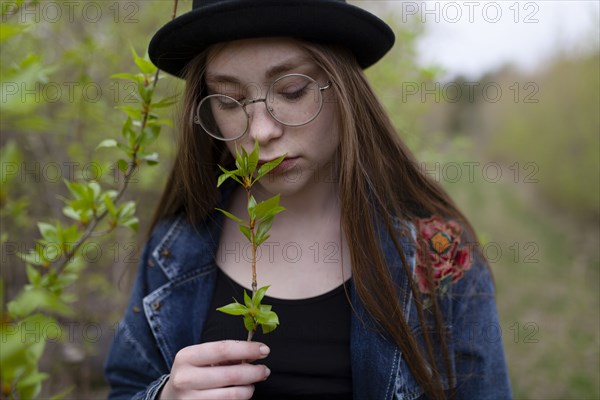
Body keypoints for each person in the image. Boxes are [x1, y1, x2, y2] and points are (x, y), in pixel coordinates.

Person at [104, 1, 512, 399]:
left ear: (346, 91)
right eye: (229, 101)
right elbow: (126, 386)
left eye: (292, 91)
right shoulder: (173, 248)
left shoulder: (438, 254)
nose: (261, 131)